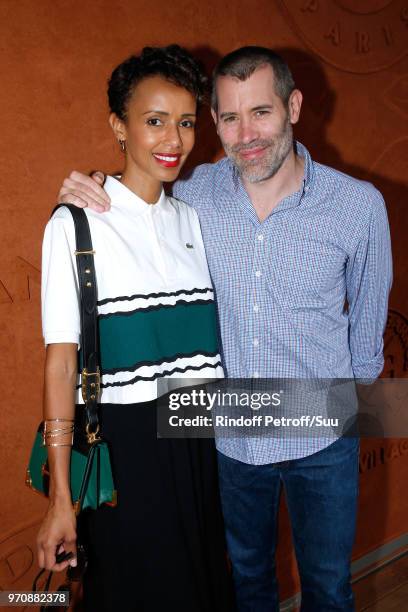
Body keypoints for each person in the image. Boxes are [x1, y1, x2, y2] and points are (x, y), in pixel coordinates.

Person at [56, 46, 392, 611]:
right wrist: (87, 188)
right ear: (214, 122)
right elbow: (132, 202)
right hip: (232, 441)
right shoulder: (192, 197)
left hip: (324, 438)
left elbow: (367, 334)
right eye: (230, 117)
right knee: (248, 584)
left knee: (330, 588)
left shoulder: (358, 207)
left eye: (261, 112)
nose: (247, 134)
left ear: (294, 106)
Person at [36, 45, 235, 612]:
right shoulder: (75, 224)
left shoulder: (192, 218)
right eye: (154, 121)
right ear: (118, 127)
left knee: (204, 589)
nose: (173, 139)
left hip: (199, 434)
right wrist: (60, 497)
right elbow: (61, 361)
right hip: (125, 447)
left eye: (187, 122)